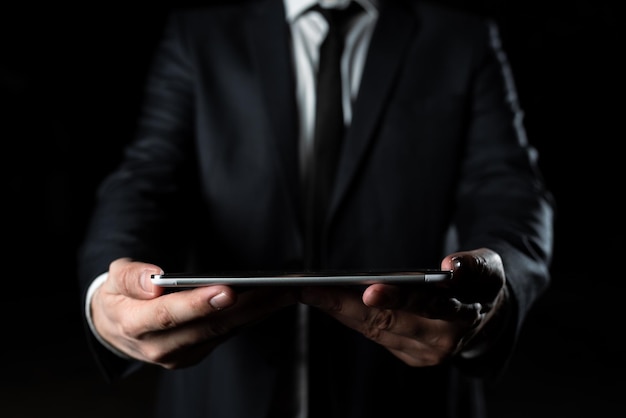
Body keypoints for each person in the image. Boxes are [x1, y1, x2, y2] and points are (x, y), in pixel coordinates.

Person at [77, 0, 555, 417]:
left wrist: (497, 294)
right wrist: (108, 293)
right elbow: (145, 178)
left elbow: (508, 187)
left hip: (408, 391)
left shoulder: (462, 40)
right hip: (224, 386)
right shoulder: (198, 35)